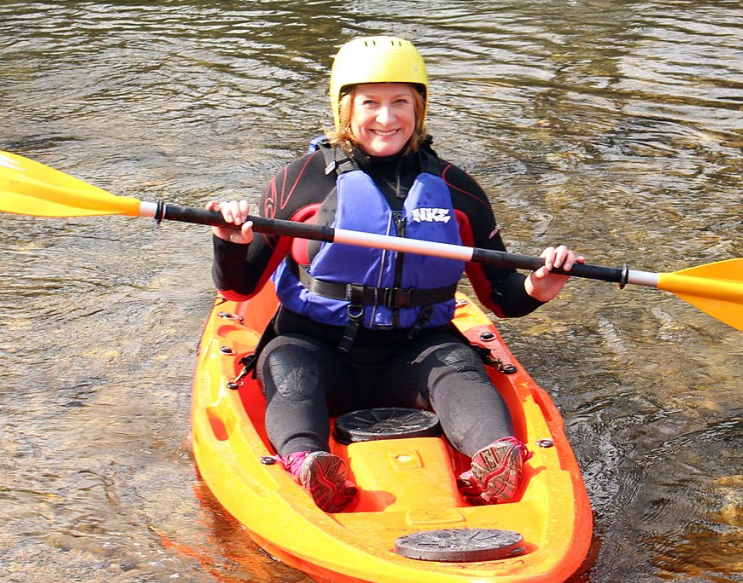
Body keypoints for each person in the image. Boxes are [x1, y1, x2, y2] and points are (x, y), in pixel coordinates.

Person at [210, 36, 581, 512]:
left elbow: (503, 298)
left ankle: (498, 457)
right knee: (286, 365)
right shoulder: (300, 180)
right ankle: (308, 462)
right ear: (345, 108)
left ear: (418, 107)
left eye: (400, 102)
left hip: (415, 352)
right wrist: (230, 242)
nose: (386, 118)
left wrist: (539, 286)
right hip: (315, 344)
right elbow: (239, 288)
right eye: (371, 103)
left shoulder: (455, 187)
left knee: (460, 368)